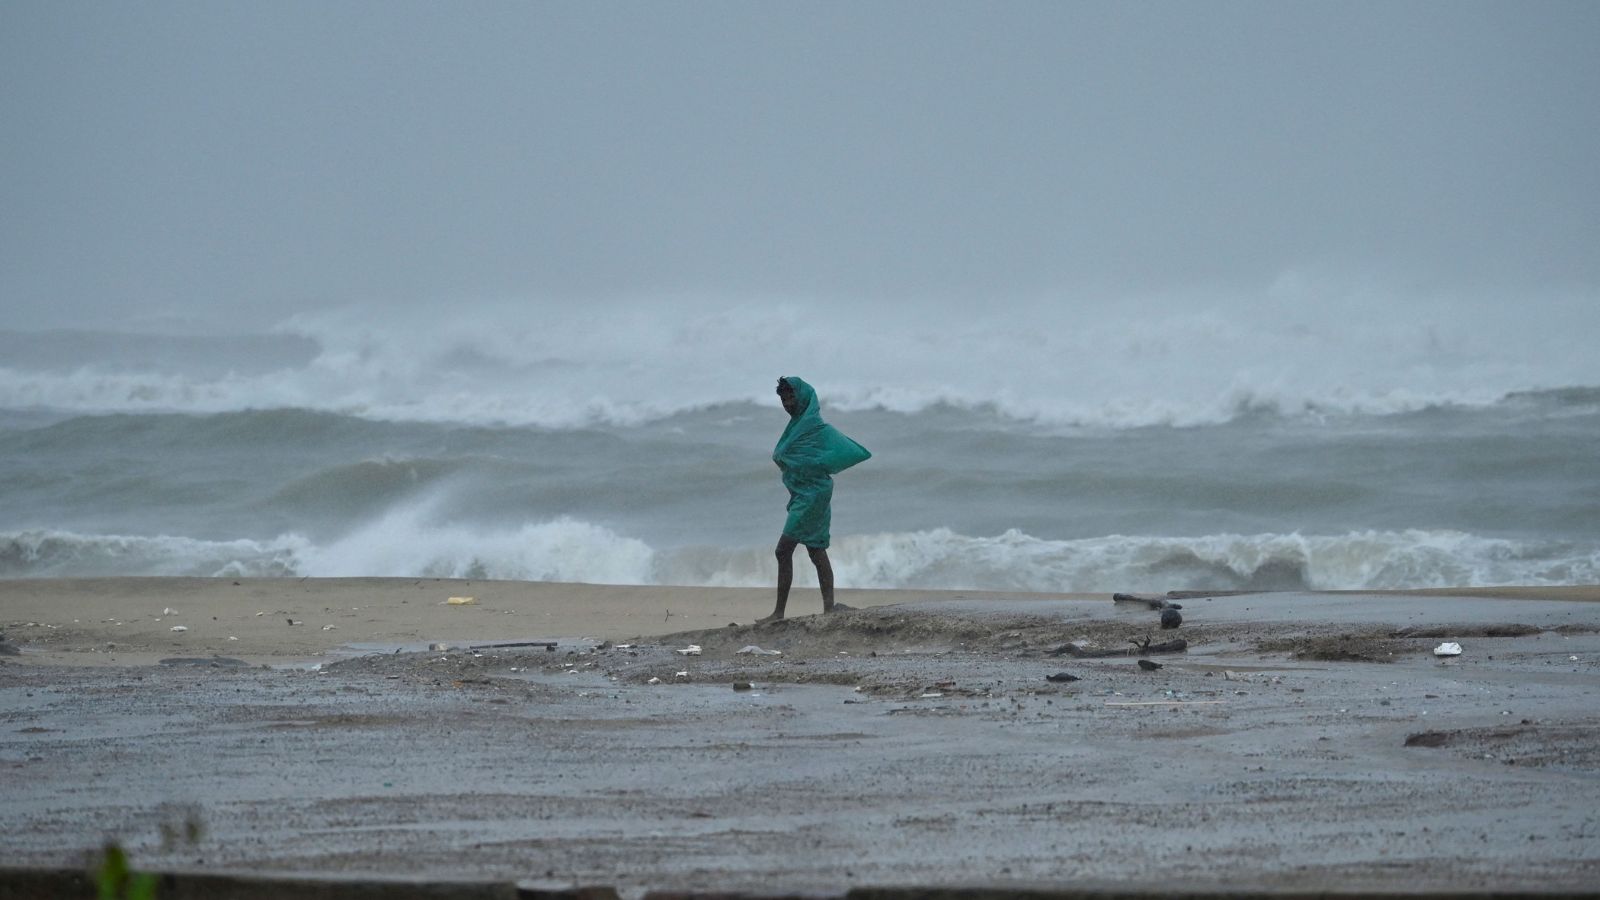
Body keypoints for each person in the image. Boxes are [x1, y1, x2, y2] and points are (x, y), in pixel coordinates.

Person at [760, 376, 871, 622]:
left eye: (791, 397)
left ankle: (779, 613)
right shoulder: (795, 427)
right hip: (803, 495)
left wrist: (813, 467)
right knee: (816, 550)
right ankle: (829, 608)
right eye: (783, 399)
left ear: (803, 398)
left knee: (783, 550)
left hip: (813, 497)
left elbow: (850, 452)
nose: (787, 403)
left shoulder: (818, 429)